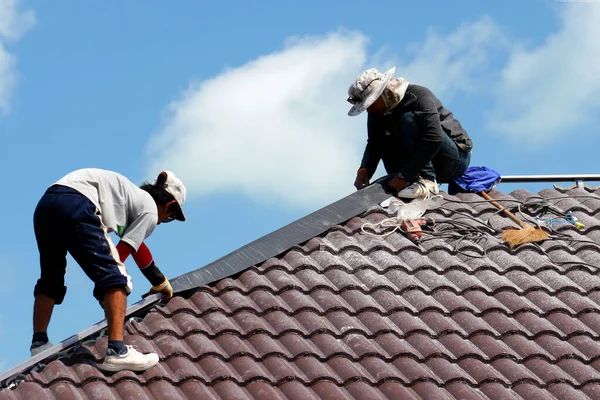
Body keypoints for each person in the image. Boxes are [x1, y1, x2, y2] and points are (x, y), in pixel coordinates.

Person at [30, 168, 187, 372]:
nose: (160, 222)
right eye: (168, 217)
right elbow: (122, 253)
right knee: (118, 277)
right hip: (78, 201)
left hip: (47, 204)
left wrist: (159, 281)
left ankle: (39, 344)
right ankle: (117, 351)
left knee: (51, 276)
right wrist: (109, 289)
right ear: (170, 205)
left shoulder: (131, 197)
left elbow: (137, 247)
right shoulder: (149, 210)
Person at [348, 67, 473, 198]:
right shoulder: (377, 111)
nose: (369, 111)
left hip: (454, 160)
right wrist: (365, 169)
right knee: (384, 138)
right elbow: (375, 143)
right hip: (421, 162)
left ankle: (427, 182)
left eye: (371, 104)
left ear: (382, 93)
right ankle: (407, 184)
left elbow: (434, 138)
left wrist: (404, 175)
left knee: (407, 119)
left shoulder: (418, 96)